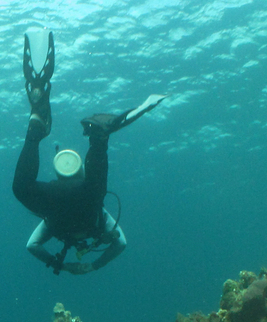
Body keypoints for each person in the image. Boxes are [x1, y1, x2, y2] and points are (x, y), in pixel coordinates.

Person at [13, 29, 166, 275]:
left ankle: (97, 137)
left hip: (69, 197)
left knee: (91, 190)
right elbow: (120, 243)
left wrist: (62, 264)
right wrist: (90, 265)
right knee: (23, 189)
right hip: (75, 198)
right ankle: (37, 130)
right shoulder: (100, 219)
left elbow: (33, 245)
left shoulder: (61, 224)